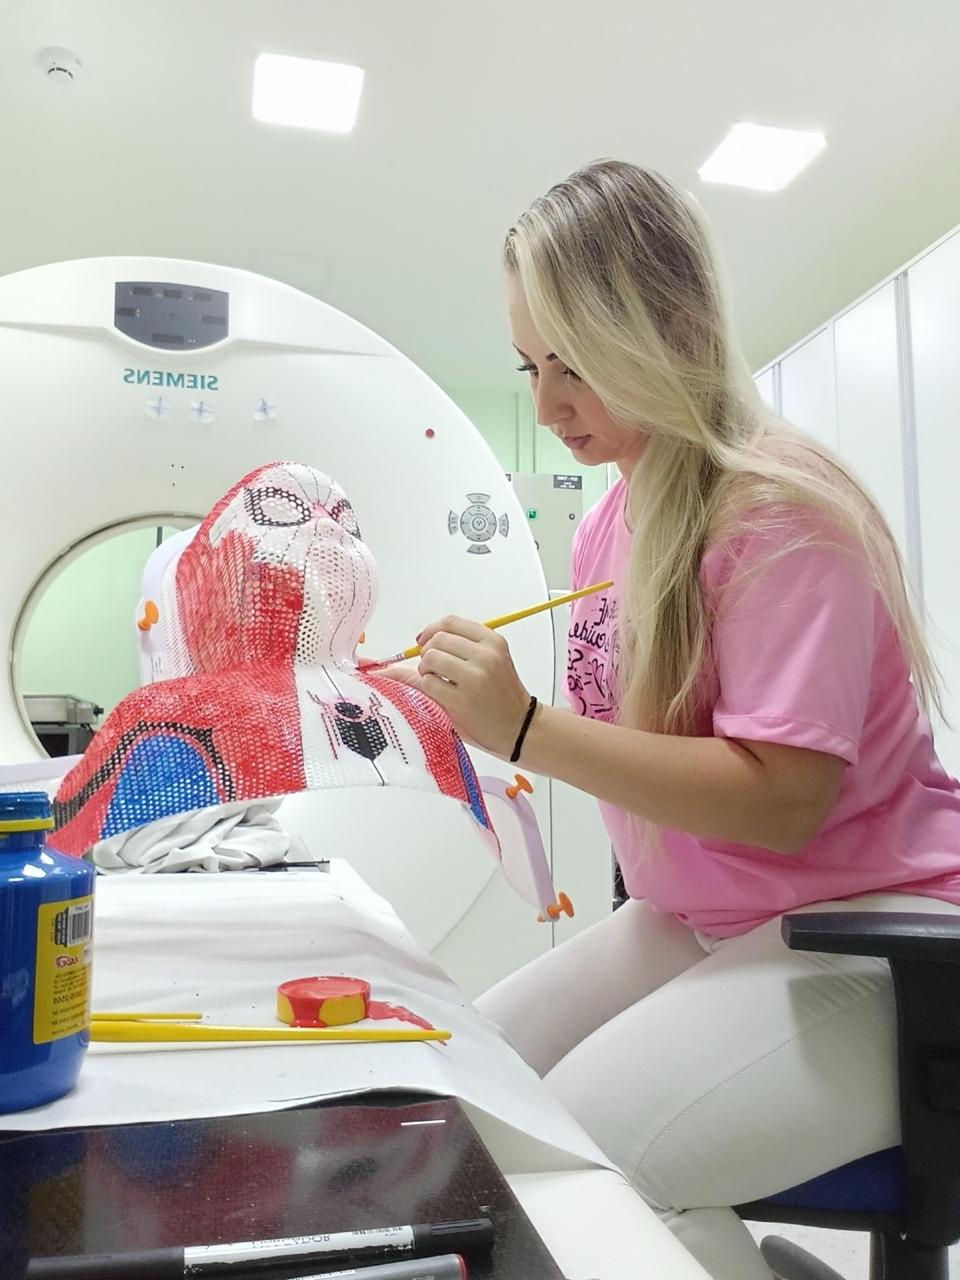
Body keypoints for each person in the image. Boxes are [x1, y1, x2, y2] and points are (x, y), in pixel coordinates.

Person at [381, 160, 960, 1279]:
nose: (547, 405)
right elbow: (637, 744)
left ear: (676, 332)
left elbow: (785, 802)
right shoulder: (615, 520)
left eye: (575, 362)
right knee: (467, 1098)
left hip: (875, 931)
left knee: (585, 1171)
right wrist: (472, 714)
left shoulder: (781, 509)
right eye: (532, 366)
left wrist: (523, 726)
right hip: (710, 916)